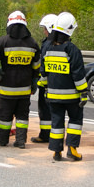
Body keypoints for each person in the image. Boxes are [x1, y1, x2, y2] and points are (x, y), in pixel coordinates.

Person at [0, 11, 41, 148]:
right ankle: (20, 141)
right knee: (22, 117)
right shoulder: (33, 43)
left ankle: (2, 140)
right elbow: (37, 67)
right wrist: (34, 83)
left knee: (5, 116)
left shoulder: (3, 41)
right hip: (24, 90)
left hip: (6, 90)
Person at [38, 12, 88, 161]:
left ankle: (56, 152)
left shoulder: (47, 48)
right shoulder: (72, 49)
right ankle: (72, 150)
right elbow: (78, 74)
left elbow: (43, 73)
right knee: (75, 121)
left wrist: (46, 89)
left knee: (56, 123)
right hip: (72, 97)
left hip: (53, 96)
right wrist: (83, 92)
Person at [30, 14, 57, 144]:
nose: (44, 31)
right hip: (58, 84)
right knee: (56, 112)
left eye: (45, 28)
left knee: (45, 111)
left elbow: (43, 65)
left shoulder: (47, 44)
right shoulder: (65, 43)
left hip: (46, 85)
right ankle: (54, 135)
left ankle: (45, 135)